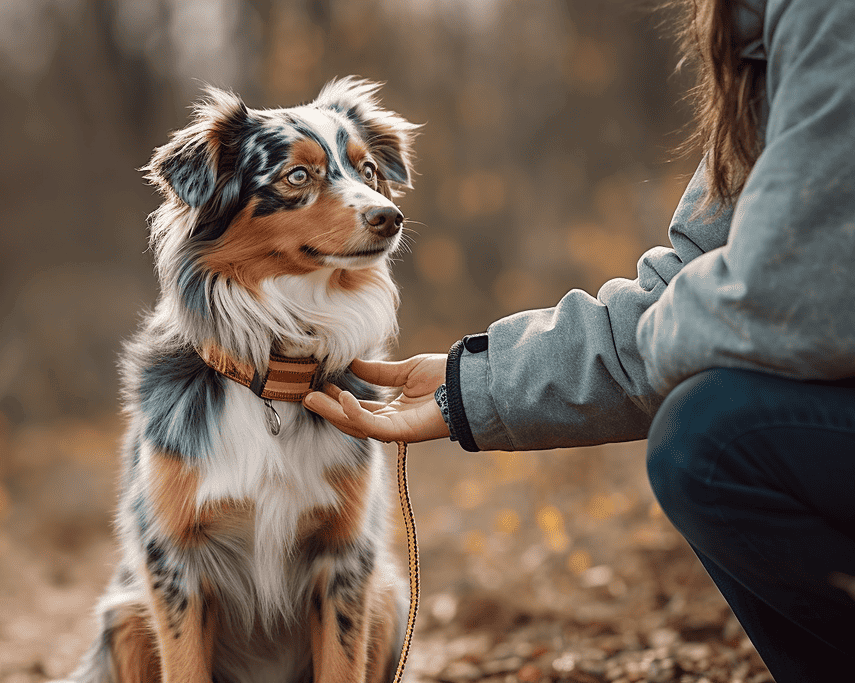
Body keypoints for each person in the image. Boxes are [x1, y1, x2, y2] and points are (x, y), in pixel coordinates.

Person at [303, 0, 855, 680]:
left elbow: (784, 298)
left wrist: (662, 341)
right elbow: (689, 276)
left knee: (713, 438)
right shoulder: (765, 30)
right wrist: (466, 387)